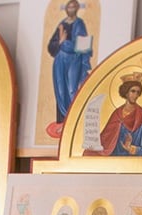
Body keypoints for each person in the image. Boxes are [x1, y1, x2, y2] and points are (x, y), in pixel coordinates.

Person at [47, 0, 92, 138]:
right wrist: (60, 42)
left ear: (77, 8)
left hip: (74, 61)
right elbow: (51, 46)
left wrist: (66, 43)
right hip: (60, 60)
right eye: (69, 7)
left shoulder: (79, 24)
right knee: (61, 90)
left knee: (72, 89)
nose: (70, 9)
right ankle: (63, 122)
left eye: (73, 7)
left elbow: (84, 45)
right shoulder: (62, 24)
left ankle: (73, 120)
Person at [83, 72, 142, 156]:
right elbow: (105, 139)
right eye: (133, 91)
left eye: (138, 92)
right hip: (114, 160)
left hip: (134, 162)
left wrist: (132, 149)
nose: (136, 95)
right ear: (126, 92)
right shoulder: (117, 114)